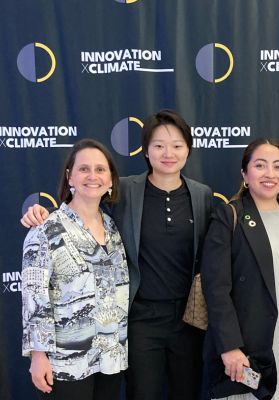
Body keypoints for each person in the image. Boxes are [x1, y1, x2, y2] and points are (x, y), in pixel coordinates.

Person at [21, 110, 213, 400]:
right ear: (146, 150)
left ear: (188, 149)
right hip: (138, 321)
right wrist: (39, 215)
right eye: (159, 145)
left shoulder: (202, 195)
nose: (168, 153)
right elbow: (78, 208)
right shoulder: (127, 191)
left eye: (177, 145)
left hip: (181, 322)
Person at [201, 138, 279, 400]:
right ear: (245, 173)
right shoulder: (228, 216)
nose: (270, 174)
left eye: (278, 166)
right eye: (260, 165)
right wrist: (230, 346)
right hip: (251, 350)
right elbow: (216, 288)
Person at [22, 139, 128, 399]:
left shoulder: (113, 228)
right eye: (84, 169)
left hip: (110, 357)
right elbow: (34, 298)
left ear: (111, 179)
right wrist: (38, 355)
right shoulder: (46, 229)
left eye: (101, 169)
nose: (93, 176)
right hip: (65, 363)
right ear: (69, 176)